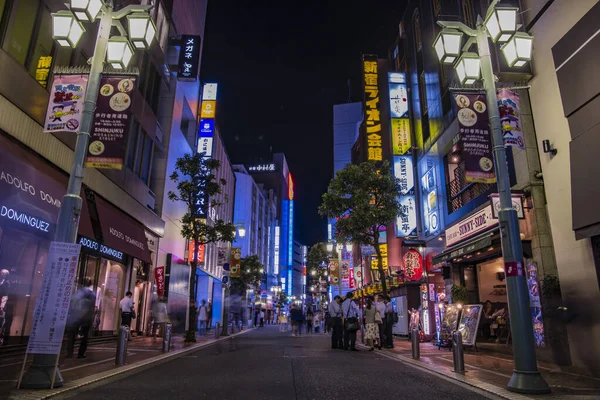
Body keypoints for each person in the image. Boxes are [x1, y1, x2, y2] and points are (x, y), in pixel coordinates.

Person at [66, 278, 96, 359]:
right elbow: (92, 306)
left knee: (72, 335)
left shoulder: (77, 293)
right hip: (86, 317)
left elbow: (72, 304)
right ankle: (81, 353)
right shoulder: (92, 294)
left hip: (76, 317)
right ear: (90, 284)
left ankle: (69, 353)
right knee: (85, 337)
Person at [0, 269, 11, 346]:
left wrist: (1, 306)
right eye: (1, 273)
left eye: (3, 274)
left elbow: (5, 296)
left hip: (1, 305)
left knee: (1, 322)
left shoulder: (6, 284)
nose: (1, 274)